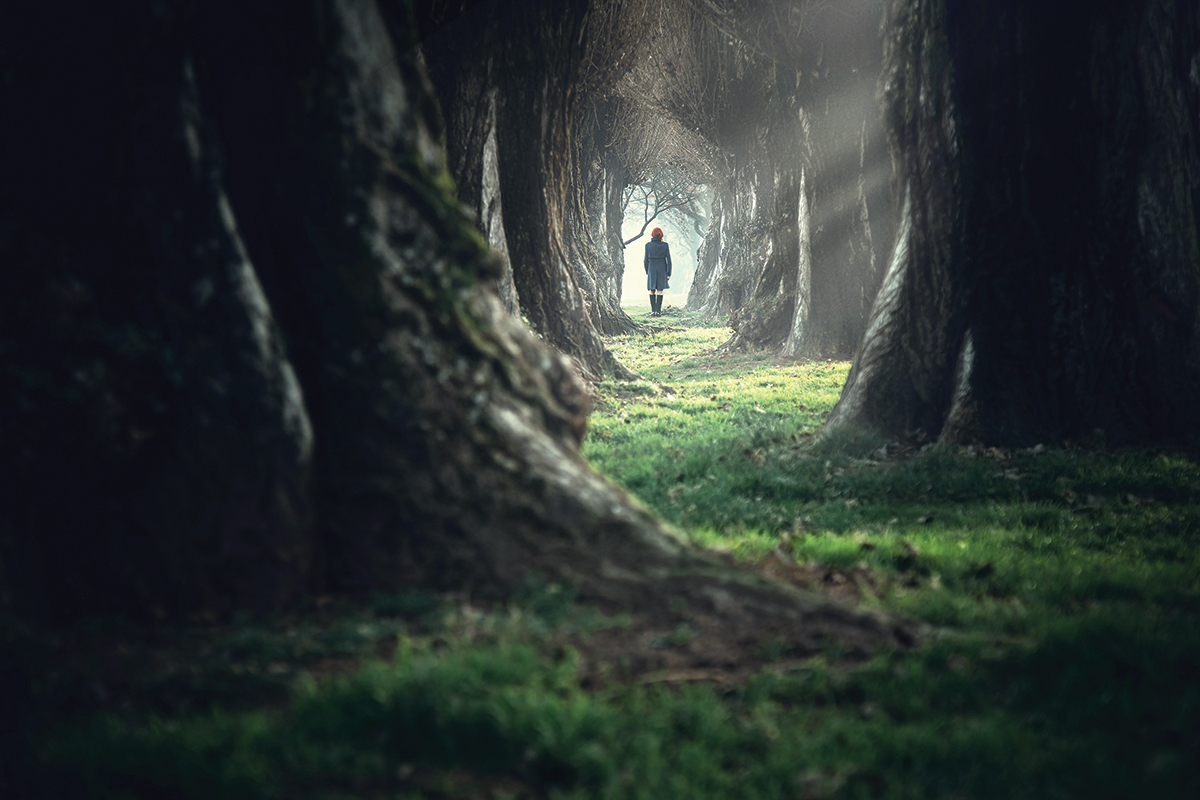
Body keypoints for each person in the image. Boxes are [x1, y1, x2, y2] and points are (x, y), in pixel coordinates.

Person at [644, 227, 671, 316]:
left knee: (652, 290)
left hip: (651, 268)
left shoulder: (648, 245)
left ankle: (653, 310)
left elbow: (645, 260)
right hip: (662, 268)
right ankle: (658, 311)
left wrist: (647, 270)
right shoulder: (665, 245)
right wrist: (668, 272)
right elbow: (669, 260)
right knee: (660, 290)